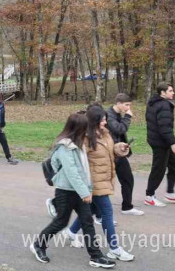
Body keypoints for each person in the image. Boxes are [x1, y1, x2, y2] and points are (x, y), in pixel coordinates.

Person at [29, 112, 116, 268]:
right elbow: (72, 173)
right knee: (61, 222)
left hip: (80, 191)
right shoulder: (65, 147)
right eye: (85, 128)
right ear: (77, 129)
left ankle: (95, 257)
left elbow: (84, 170)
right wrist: (85, 193)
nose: (87, 131)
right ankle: (38, 245)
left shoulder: (79, 144)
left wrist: (87, 189)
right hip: (65, 191)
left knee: (87, 222)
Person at [62, 105, 135, 262]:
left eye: (105, 119)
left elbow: (107, 151)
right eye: (102, 119)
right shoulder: (86, 139)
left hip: (105, 179)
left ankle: (71, 232)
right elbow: (79, 162)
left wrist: (119, 148)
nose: (105, 122)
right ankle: (114, 249)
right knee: (107, 212)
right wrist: (83, 186)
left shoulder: (104, 133)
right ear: (94, 121)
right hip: (94, 183)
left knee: (92, 210)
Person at [144, 82, 175, 207]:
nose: (173, 93)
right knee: (159, 169)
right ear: (163, 92)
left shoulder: (154, 102)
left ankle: (170, 193)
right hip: (160, 142)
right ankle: (149, 196)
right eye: (170, 91)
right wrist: (172, 143)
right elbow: (164, 127)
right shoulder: (164, 105)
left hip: (158, 140)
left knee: (174, 166)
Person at [105, 93, 143, 216]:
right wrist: (127, 117)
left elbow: (118, 134)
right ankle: (57, 203)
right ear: (118, 103)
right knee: (101, 183)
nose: (128, 108)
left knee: (127, 179)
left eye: (129, 105)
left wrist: (123, 145)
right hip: (107, 154)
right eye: (126, 105)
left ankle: (127, 207)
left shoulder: (116, 114)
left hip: (117, 153)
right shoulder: (109, 115)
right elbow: (119, 129)